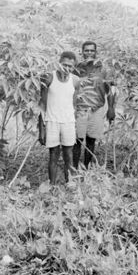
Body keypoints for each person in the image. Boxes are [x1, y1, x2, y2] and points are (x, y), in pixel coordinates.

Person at [38, 51, 80, 185]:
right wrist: (41, 129)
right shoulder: (49, 77)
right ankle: (52, 185)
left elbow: (73, 104)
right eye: (64, 65)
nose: (66, 69)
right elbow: (42, 105)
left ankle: (70, 183)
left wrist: (74, 123)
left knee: (69, 155)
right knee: (53, 155)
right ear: (59, 63)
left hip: (68, 121)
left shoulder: (75, 80)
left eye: (70, 67)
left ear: (74, 67)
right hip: (52, 121)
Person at [72, 41, 115, 168]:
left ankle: (86, 167)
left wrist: (111, 108)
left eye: (92, 50)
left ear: (96, 52)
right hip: (80, 108)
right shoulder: (77, 68)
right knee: (77, 140)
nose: (89, 53)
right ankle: (74, 169)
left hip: (97, 109)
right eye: (86, 50)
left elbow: (111, 89)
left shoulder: (103, 68)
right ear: (82, 52)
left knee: (91, 139)